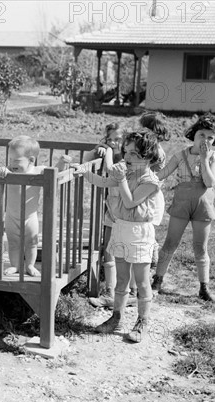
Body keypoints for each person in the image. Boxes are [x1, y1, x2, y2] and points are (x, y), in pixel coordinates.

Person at [72, 129, 162, 342]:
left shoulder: (150, 181)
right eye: (126, 152)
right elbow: (104, 182)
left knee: (141, 281)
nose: (127, 157)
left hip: (139, 233)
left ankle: (142, 322)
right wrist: (84, 172)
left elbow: (131, 202)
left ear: (148, 157)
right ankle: (116, 318)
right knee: (121, 280)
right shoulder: (126, 173)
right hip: (121, 228)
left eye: (134, 154)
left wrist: (120, 180)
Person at [151, 113, 215, 303]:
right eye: (202, 135)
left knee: (200, 247)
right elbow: (162, 174)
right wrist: (139, 174)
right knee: (170, 243)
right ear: (193, 134)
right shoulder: (181, 155)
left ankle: (204, 288)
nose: (205, 140)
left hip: (203, 204)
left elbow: (210, 182)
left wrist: (204, 158)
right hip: (182, 203)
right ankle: (157, 281)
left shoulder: (214, 157)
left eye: (210, 137)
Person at [0, 136, 45, 276]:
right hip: (11, 216)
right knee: (13, 244)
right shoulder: (9, 173)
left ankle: (30, 265)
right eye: (10, 159)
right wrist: (2, 169)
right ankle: (15, 266)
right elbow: (1, 171)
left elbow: (55, 172)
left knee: (32, 244)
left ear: (31, 160)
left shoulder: (38, 171)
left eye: (16, 160)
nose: (11, 163)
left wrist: (64, 163)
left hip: (30, 218)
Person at [139, 111, 170, 267]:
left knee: (146, 228)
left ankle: (152, 258)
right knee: (144, 228)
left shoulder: (155, 151)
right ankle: (150, 256)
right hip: (147, 193)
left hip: (150, 196)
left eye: (142, 129)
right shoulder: (152, 148)